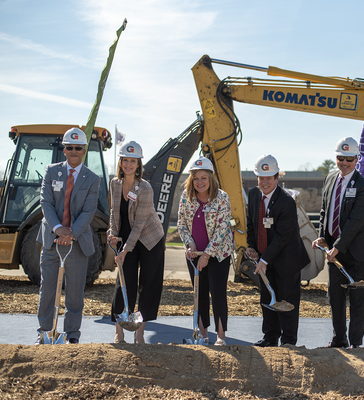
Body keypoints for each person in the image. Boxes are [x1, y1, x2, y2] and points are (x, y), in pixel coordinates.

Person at [312, 137, 364, 349]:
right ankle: (339, 338)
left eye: (349, 159)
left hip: (358, 252)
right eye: (341, 158)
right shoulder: (330, 179)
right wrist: (323, 235)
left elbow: (355, 223)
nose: (344, 163)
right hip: (335, 250)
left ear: (356, 159)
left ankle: (356, 344)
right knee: (336, 297)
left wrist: (337, 247)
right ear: (336, 157)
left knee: (358, 300)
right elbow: (325, 211)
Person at [35, 127, 101, 344]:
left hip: (77, 243)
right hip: (51, 241)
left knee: (74, 294)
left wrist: (71, 233)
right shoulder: (51, 171)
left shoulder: (92, 179)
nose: (73, 151)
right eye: (69, 147)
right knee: (47, 291)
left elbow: (89, 211)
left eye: (78, 148)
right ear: (64, 150)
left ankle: (72, 336)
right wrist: (57, 229)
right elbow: (45, 202)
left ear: (84, 150)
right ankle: (44, 333)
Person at [247, 155, 310, 347]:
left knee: (287, 301)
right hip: (266, 258)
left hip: (287, 260)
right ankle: (270, 338)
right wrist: (251, 246)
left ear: (277, 178)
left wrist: (264, 260)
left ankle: (289, 341)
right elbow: (252, 223)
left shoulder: (286, 202)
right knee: (267, 298)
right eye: (260, 178)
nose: (264, 182)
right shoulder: (253, 194)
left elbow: (282, 237)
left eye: (268, 178)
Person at [107, 141, 165, 344]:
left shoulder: (145, 188)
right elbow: (115, 212)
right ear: (120, 162)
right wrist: (112, 235)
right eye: (125, 160)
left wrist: (125, 250)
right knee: (124, 282)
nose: (129, 165)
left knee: (148, 285)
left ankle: (139, 332)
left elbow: (139, 224)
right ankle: (119, 332)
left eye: (133, 161)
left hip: (149, 239)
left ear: (139, 164)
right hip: (126, 236)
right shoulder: (114, 183)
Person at [177, 156, 234, 346]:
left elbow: (222, 229)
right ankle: (202, 335)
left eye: (203, 178)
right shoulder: (186, 197)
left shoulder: (222, 198)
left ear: (211, 178)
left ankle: (221, 337)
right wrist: (189, 245)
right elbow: (181, 223)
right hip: (194, 254)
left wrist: (207, 255)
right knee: (198, 294)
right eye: (195, 178)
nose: (199, 182)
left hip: (218, 255)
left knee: (217, 293)